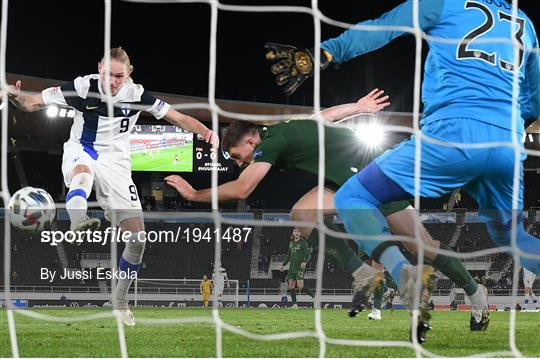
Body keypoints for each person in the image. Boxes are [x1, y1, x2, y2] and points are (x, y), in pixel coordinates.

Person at [265, 0, 539, 336]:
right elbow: (534, 100)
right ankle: (399, 278)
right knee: (513, 237)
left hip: (447, 136)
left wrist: (324, 53)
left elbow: (382, 27)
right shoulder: (524, 22)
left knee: (361, 204)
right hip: (506, 143)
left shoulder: (443, 4)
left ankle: (413, 275)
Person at [165, 93, 487, 328]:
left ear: (251, 142)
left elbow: (243, 188)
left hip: (373, 173)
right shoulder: (283, 128)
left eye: (237, 156)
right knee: (302, 214)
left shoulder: (270, 143)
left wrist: (194, 193)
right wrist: (358, 107)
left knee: (423, 247)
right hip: (345, 183)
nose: (238, 163)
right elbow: (326, 116)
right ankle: (362, 274)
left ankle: (476, 294)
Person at [2, 47, 218, 326]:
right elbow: (32, 104)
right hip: (84, 150)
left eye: (118, 76)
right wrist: (15, 97)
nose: (112, 82)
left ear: (129, 73)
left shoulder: (138, 95)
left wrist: (206, 132)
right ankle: (78, 219)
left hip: (117, 164)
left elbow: (176, 117)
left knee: (138, 240)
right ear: (98, 69)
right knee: (82, 173)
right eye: (107, 75)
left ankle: (119, 299)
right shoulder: (83, 87)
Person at [280, 229, 316, 308]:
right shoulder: (291, 243)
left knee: (300, 286)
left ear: (300, 233)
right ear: (293, 233)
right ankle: (295, 304)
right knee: (291, 285)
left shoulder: (303, 243)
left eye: (298, 231)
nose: (296, 233)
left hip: (299, 268)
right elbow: (288, 256)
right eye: (295, 231)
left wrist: (305, 262)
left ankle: (314, 296)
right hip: (291, 268)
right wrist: (283, 265)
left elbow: (308, 254)